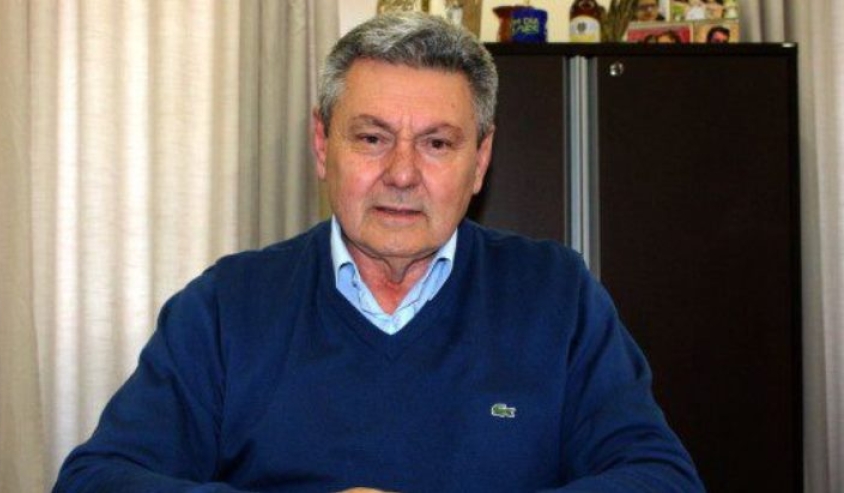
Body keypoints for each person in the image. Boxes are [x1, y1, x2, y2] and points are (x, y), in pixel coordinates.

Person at [52, 12, 704, 493]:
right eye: (372, 138)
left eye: (437, 144)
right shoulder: (228, 305)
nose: (401, 173)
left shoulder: (556, 295)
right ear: (322, 145)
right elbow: (95, 479)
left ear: (480, 160)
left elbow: (661, 478)